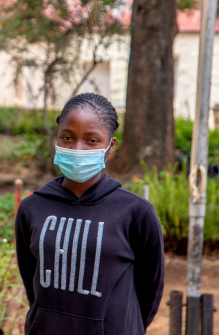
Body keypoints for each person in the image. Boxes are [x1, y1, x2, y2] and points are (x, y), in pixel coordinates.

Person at [15, 93, 164, 334]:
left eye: (92, 140)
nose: (77, 148)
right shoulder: (32, 207)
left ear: (110, 146)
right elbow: (31, 282)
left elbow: (150, 289)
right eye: (67, 137)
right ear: (57, 139)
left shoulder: (136, 212)